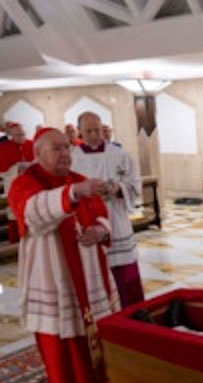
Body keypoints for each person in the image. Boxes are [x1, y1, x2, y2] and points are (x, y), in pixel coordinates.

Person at [9, 127, 119, 383]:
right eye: (56, 149)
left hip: (89, 273)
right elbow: (32, 213)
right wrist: (70, 194)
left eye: (66, 148)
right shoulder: (25, 182)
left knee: (96, 336)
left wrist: (100, 230)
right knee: (62, 341)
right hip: (53, 274)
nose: (65, 154)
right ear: (37, 154)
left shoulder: (78, 180)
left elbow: (101, 214)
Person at [72, 111, 145, 307]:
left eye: (97, 130)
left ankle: (134, 312)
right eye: (89, 131)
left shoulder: (119, 154)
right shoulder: (73, 158)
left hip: (116, 217)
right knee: (96, 270)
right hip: (89, 220)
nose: (95, 135)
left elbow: (135, 183)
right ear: (80, 131)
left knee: (125, 268)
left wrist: (118, 188)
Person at [0, 122, 35, 243]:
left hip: (31, 185)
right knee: (14, 213)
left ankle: (32, 240)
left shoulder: (32, 145)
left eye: (22, 134)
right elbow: (0, 171)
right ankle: (15, 242)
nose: (21, 137)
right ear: (11, 135)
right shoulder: (4, 148)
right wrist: (16, 169)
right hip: (13, 185)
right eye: (18, 135)